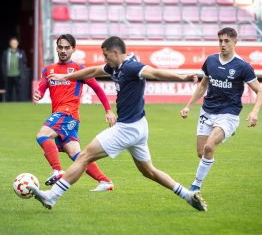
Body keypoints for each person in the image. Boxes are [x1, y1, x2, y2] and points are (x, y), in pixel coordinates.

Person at [28, 36, 207, 211]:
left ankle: (52, 196)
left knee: (84, 157)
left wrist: (181, 77)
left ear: (115, 52)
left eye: (106, 55)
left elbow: (153, 72)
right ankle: (187, 195)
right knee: (149, 171)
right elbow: (92, 71)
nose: (104, 60)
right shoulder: (116, 66)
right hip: (139, 127)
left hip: (127, 128)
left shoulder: (131, 67)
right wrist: (63, 77)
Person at [179, 27, 262, 191]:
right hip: (207, 111)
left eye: (227, 41)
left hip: (228, 113)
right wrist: (188, 106)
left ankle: (195, 187)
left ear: (235, 42)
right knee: (201, 152)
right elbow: (203, 84)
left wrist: (254, 112)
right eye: (220, 41)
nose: (222, 44)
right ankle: (226, 131)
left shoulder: (243, 66)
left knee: (209, 147)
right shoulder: (211, 60)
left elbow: (260, 91)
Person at [33, 34, 116, 191]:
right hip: (65, 116)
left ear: (73, 49)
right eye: (60, 47)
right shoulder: (48, 70)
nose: (63, 51)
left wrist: (108, 110)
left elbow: (97, 89)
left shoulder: (79, 70)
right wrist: (38, 94)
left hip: (67, 113)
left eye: (67, 48)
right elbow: (42, 89)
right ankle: (105, 181)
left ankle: (57, 171)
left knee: (42, 136)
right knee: (76, 155)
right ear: (56, 48)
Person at [1, 37, 27, 101]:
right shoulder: (6, 52)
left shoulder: (21, 52)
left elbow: (24, 63)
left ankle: (20, 104)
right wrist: (4, 73)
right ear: (10, 44)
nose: (14, 44)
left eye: (15, 43)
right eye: (12, 43)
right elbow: (3, 63)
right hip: (8, 75)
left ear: (18, 44)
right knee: (8, 91)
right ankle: (8, 104)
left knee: (19, 91)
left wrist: (22, 74)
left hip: (18, 74)